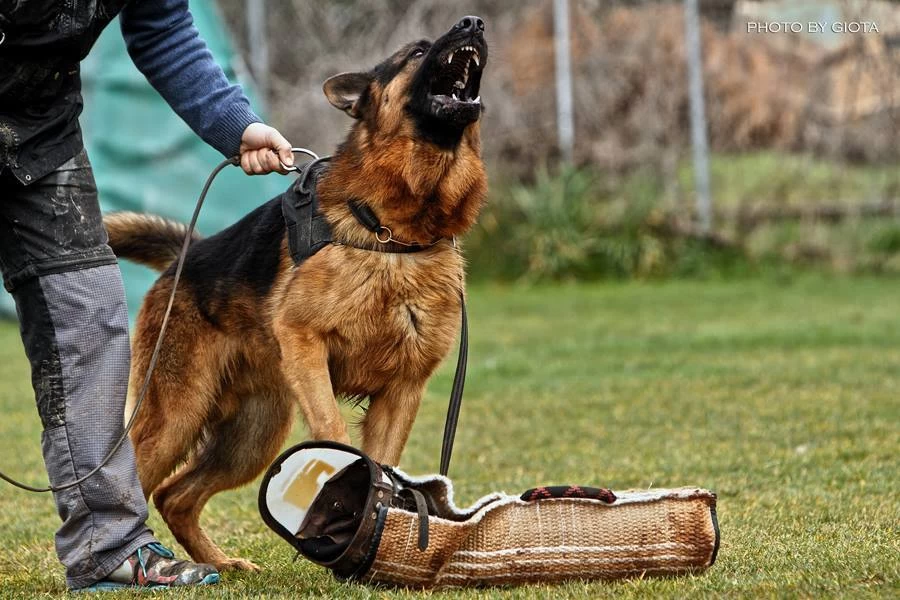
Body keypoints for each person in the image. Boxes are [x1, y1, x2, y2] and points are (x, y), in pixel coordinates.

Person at [0, 0, 294, 591]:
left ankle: (108, 548)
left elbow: (162, 29)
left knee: (91, 316)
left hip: (38, 130)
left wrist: (234, 124)